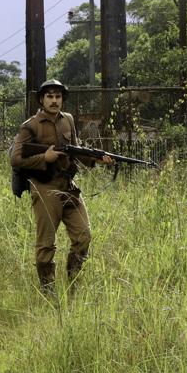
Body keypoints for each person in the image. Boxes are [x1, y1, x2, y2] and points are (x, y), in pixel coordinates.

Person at [10, 80, 113, 294]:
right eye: (50, 96)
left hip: (69, 186)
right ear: (42, 99)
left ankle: (73, 286)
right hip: (45, 187)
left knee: (84, 235)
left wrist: (96, 159)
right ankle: (48, 291)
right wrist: (44, 157)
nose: (54, 100)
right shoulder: (30, 125)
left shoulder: (68, 120)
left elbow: (74, 150)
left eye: (58, 96)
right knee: (46, 243)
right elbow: (16, 159)